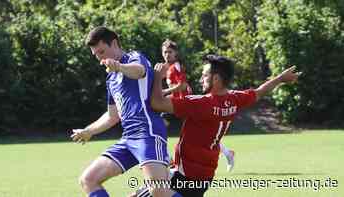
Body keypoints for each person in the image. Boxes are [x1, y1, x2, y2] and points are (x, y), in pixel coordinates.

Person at [133, 54, 300, 197]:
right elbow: (259, 92)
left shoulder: (200, 103)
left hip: (186, 176)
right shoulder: (235, 99)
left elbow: (156, 103)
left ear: (216, 79)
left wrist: (157, 77)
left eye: (204, 75)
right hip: (204, 176)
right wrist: (281, 79)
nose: (201, 79)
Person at [70, 26, 182, 197]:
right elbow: (112, 115)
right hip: (128, 139)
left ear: (114, 43)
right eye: (96, 55)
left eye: (102, 51)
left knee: (158, 190)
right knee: (88, 179)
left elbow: (139, 71)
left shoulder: (134, 58)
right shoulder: (111, 78)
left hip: (148, 133)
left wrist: (120, 67)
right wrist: (88, 131)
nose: (100, 58)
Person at [161, 40, 235, 171]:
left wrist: (165, 92)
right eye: (165, 52)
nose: (167, 55)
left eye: (170, 52)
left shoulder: (176, 66)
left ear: (176, 53)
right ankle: (228, 153)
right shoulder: (167, 68)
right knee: (161, 123)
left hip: (185, 103)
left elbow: (182, 85)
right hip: (178, 103)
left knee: (160, 123)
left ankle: (166, 157)